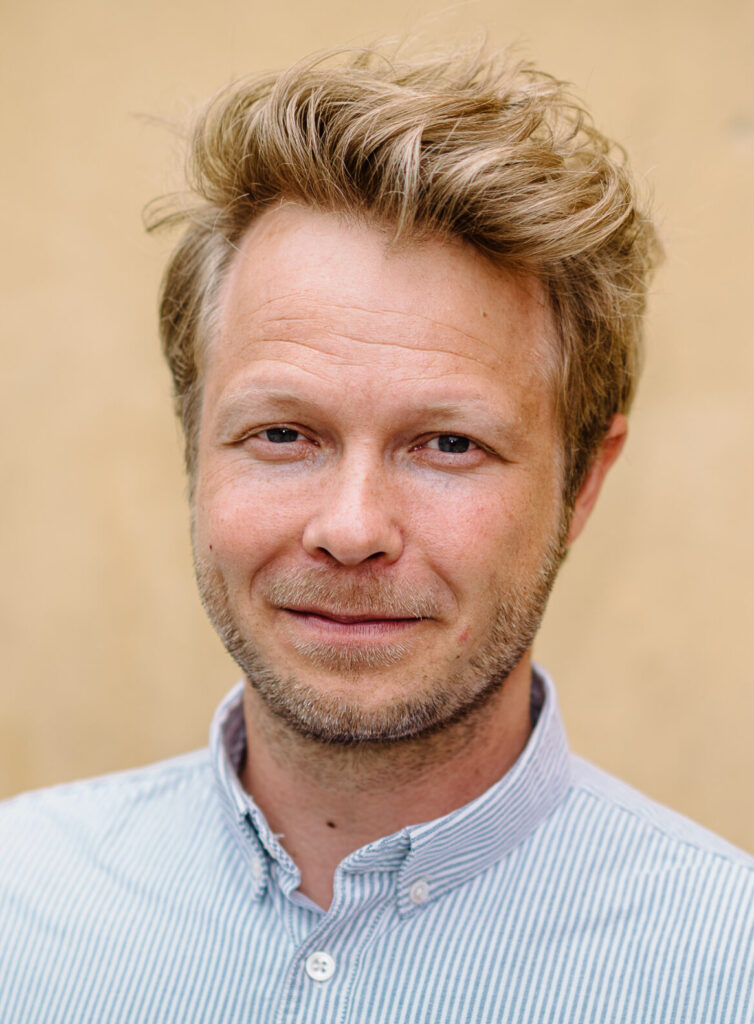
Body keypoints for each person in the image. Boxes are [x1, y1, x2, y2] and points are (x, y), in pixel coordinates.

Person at [1, 39, 752, 1024]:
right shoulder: (19, 904)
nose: (351, 529)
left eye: (448, 444)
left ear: (583, 481)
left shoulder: (727, 968)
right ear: (194, 451)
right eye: (282, 434)